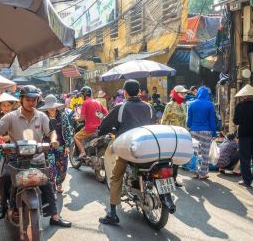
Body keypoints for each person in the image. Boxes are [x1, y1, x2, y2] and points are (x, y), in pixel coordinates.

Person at [0, 85, 71, 227]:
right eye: (28, 99)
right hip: (15, 160)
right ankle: (3, 206)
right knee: (4, 178)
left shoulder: (42, 116)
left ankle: (55, 216)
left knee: (48, 183)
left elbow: (51, 131)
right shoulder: (11, 116)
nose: (31, 102)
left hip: (37, 159)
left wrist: (53, 140)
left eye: (34, 100)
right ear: (21, 99)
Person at [98, 79, 156, 225]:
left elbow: (104, 125)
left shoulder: (121, 107)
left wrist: (102, 131)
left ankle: (112, 214)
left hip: (129, 149)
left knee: (115, 177)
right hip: (150, 148)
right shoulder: (149, 107)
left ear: (125, 92)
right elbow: (155, 124)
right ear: (139, 92)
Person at [233, 84, 253, 188]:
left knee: (245, 158)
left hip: (244, 135)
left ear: (243, 96)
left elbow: (236, 121)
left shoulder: (239, 106)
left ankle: (247, 181)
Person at [39, 95, 73, 194]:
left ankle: (59, 183)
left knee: (63, 167)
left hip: (61, 146)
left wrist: (67, 145)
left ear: (56, 106)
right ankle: (52, 186)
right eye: (49, 106)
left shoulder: (63, 116)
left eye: (53, 106)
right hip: (47, 146)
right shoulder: (43, 117)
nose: (51, 108)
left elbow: (67, 131)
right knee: (51, 167)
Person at [161, 85, 189, 187]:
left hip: (180, 135)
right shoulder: (169, 105)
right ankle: (165, 179)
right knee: (168, 159)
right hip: (170, 135)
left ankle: (174, 178)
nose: (184, 95)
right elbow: (163, 120)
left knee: (177, 159)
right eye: (182, 93)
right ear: (176, 94)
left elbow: (184, 122)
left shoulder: (183, 105)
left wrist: (186, 133)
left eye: (184, 93)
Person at [187, 86, 216, 180]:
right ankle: (203, 174)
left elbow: (189, 122)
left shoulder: (192, 104)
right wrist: (214, 133)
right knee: (205, 153)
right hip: (206, 132)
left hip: (194, 131)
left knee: (194, 152)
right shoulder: (210, 105)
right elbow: (212, 121)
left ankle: (194, 173)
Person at [74, 86, 108, 160]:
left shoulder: (85, 103)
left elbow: (82, 118)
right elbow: (105, 114)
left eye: (82, 95)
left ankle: (82, 152)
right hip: (99, 128)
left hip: (90, 128)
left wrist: (77, 119)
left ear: (84, 95)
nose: (81, 96)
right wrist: (97, 115)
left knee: (76, 137)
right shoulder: (97, 102)